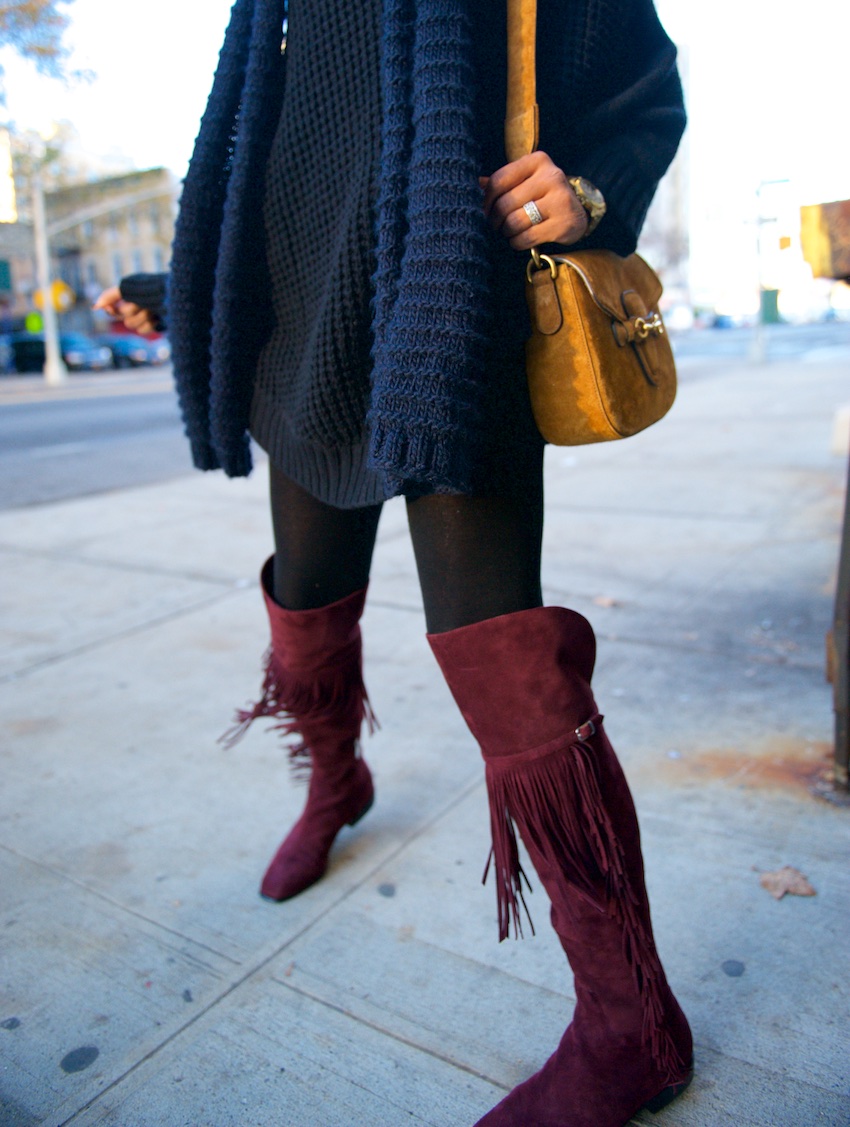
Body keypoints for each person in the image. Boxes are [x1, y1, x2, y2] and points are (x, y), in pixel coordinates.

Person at [97, 1, 690, 1123]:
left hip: (449, 315)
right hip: (301, 335)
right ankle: (336, 782)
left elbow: (644, 90)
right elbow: (291, 160)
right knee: (306, 605)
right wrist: (190, 291)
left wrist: (591, 191)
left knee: (509, 671)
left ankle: (630, 1024)